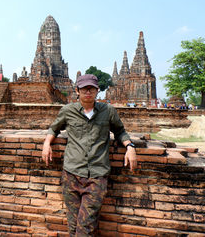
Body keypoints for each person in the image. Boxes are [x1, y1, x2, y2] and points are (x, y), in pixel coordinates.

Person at [42, 74, 137, 236]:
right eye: (84, 88)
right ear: (77, 91)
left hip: (97, 176)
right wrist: (46, 143)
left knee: (85, 226)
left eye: (91, 88)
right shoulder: (68, 111)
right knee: (73, 225)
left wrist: (130, 147)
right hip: (71, 173)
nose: (88, 91)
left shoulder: (108, 111)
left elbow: (120, 131)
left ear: (97, 90)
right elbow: (54, 128)